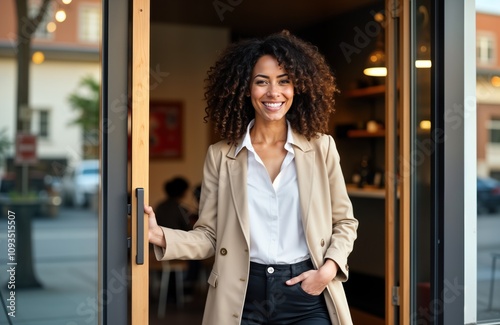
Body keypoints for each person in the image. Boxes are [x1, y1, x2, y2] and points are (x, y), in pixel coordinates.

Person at [146, 30, 358, 325]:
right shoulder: (221, 156)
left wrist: (328, 270)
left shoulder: (321, 148)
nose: (274, 92)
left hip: (308, 292)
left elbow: (344, 221)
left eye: (284, 81)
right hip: (242, 294)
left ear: (297, 87)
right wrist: (159, 236)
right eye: (262, 81)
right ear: (246, 89)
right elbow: (209, 236)